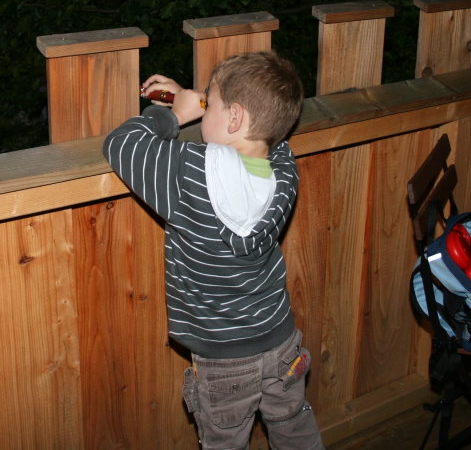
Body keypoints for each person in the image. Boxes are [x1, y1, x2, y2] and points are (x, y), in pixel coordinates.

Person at [103, 50, 324, 449]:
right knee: (293, 426)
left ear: (235, 117)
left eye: (211, 101)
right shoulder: (284, 170)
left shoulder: (190, 173)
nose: (205, 106)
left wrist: (174, 115)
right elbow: (264, 133)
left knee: (225, 442)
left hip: (223, 358)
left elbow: (122, 144)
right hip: (279, 339)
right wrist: (205, 103)